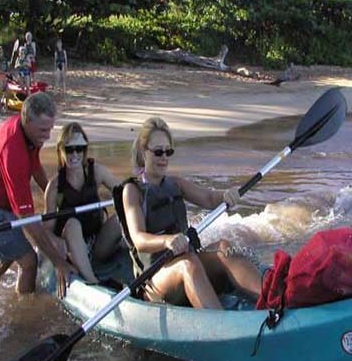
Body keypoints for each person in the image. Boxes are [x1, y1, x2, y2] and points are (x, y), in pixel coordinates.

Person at [120, 116, 262, 309]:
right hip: (155, 278)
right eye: (158, 152)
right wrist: (167, 240)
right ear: (143, 153)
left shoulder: (175, 184)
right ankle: (220, 327)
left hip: (186, 260)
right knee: (188, 264)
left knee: (224, 246)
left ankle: (272, 300)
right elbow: (139, 240)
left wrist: (226, 195)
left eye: (168, 152)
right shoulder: (132, 191)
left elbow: (210, 199)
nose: (163, 158)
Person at [0, 92, 76, 297]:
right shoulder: (13, 152)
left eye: (50, 128)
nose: (48, 136)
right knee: (28, 262)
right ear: (27, 120)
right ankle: (22, 316)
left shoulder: (29, 134)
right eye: (43, 129)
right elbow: (28, 221)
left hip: (1, 200)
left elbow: (36, 169)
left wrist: (59, 200)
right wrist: (59, 262)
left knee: (8, 254)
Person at [44, 123, 121, 283]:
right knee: (72, 224)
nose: (74, 154)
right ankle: (93, 281)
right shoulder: (55, 187)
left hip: (97, 243)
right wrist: (58, 247)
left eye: (79, 149)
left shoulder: (97, 172)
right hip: (72, 247)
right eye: (69, 149)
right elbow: (47, 232)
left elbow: (125, 192)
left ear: (84, 150)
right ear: (61, 151)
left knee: (122, 215)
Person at [0, 46, 9, 114]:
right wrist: (5, 72)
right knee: (0, 94)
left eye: (1, 51)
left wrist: (8, 69)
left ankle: (6, 108)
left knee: (7, 93)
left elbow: (6, 68)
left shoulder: (5, 59)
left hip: (4, 77)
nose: (0, 52)